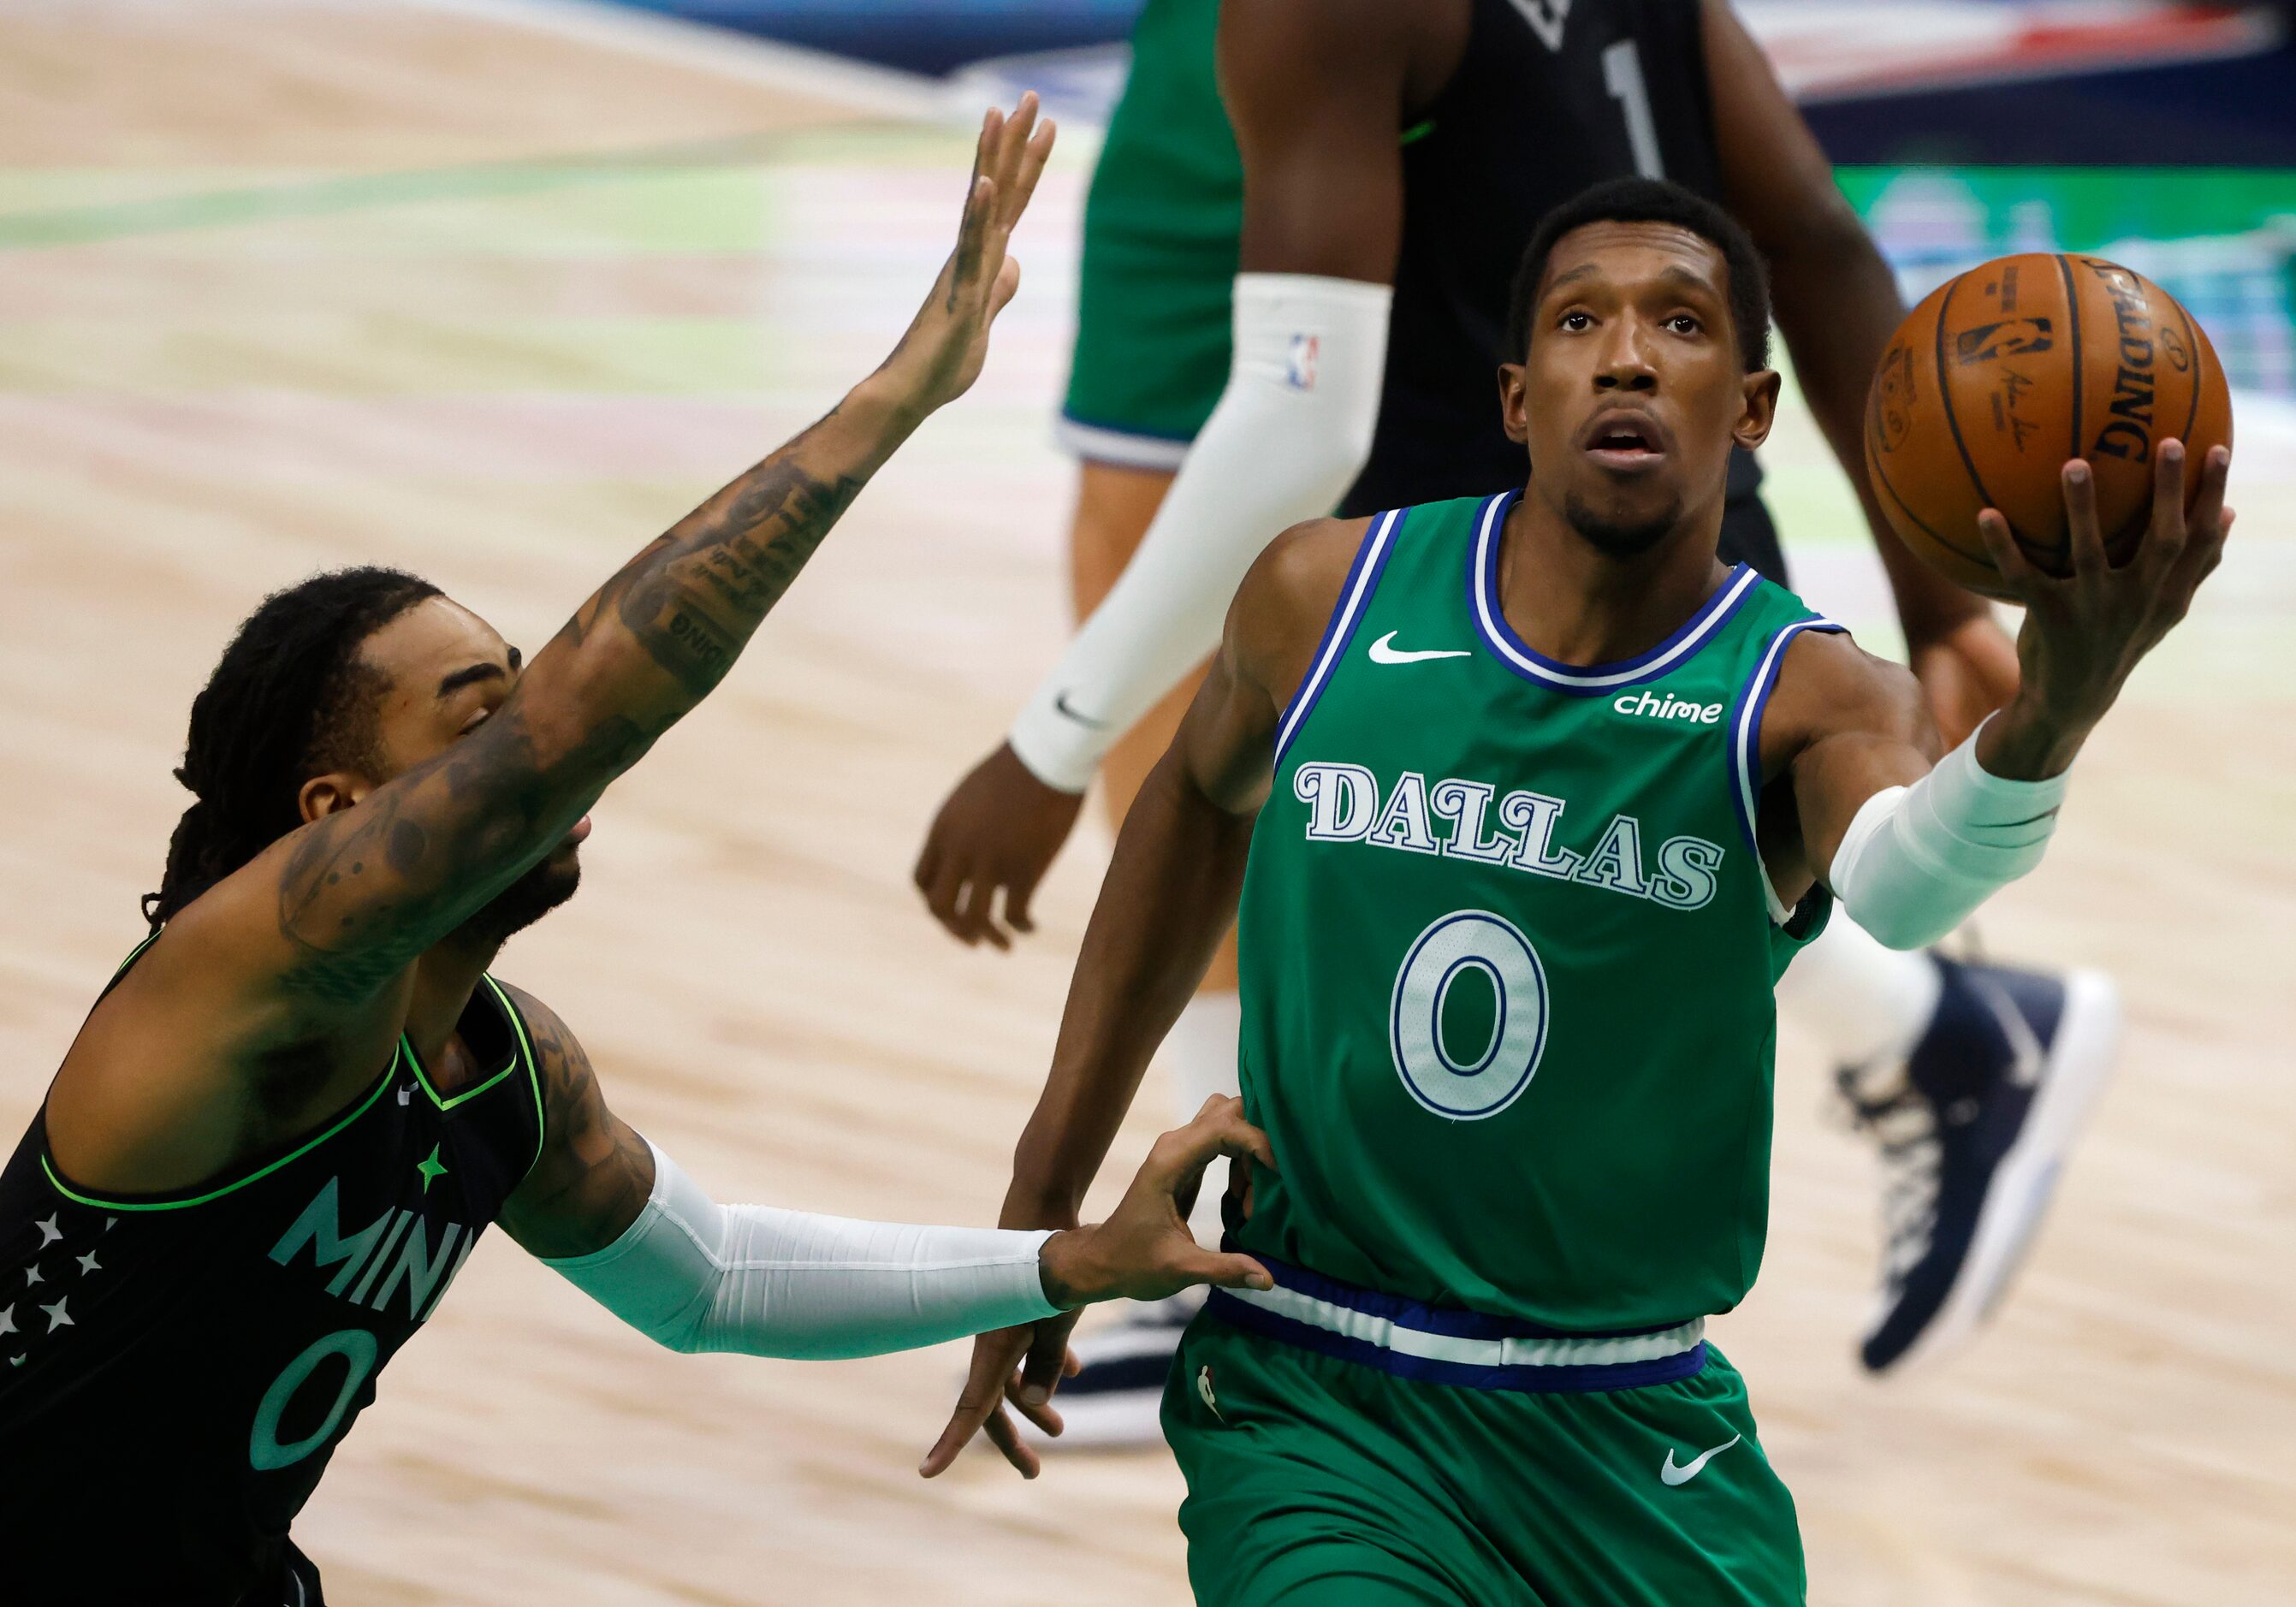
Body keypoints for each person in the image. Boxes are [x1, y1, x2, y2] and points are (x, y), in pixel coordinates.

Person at [0, 99, 1283, 1604]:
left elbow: (715, 1277)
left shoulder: (504, 1076)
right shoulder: (249, 983)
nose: (530, 750)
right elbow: (586, 716)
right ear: (334, 815)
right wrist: (888, 402)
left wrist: (1059, 1264)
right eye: (479, 721)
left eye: (518, 689)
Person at [923, 177, 2230, 1601]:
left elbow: (1907, 892)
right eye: (1577, 320)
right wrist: (1037, 1210)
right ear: (1515, 395)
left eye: (1678, 320)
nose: (1624, 352)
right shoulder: (1325, 596)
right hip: (1321, 1404)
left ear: (1749, 409)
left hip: (1635, 1432)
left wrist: (2049, 721)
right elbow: (1184, 803)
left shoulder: (1813, 693)